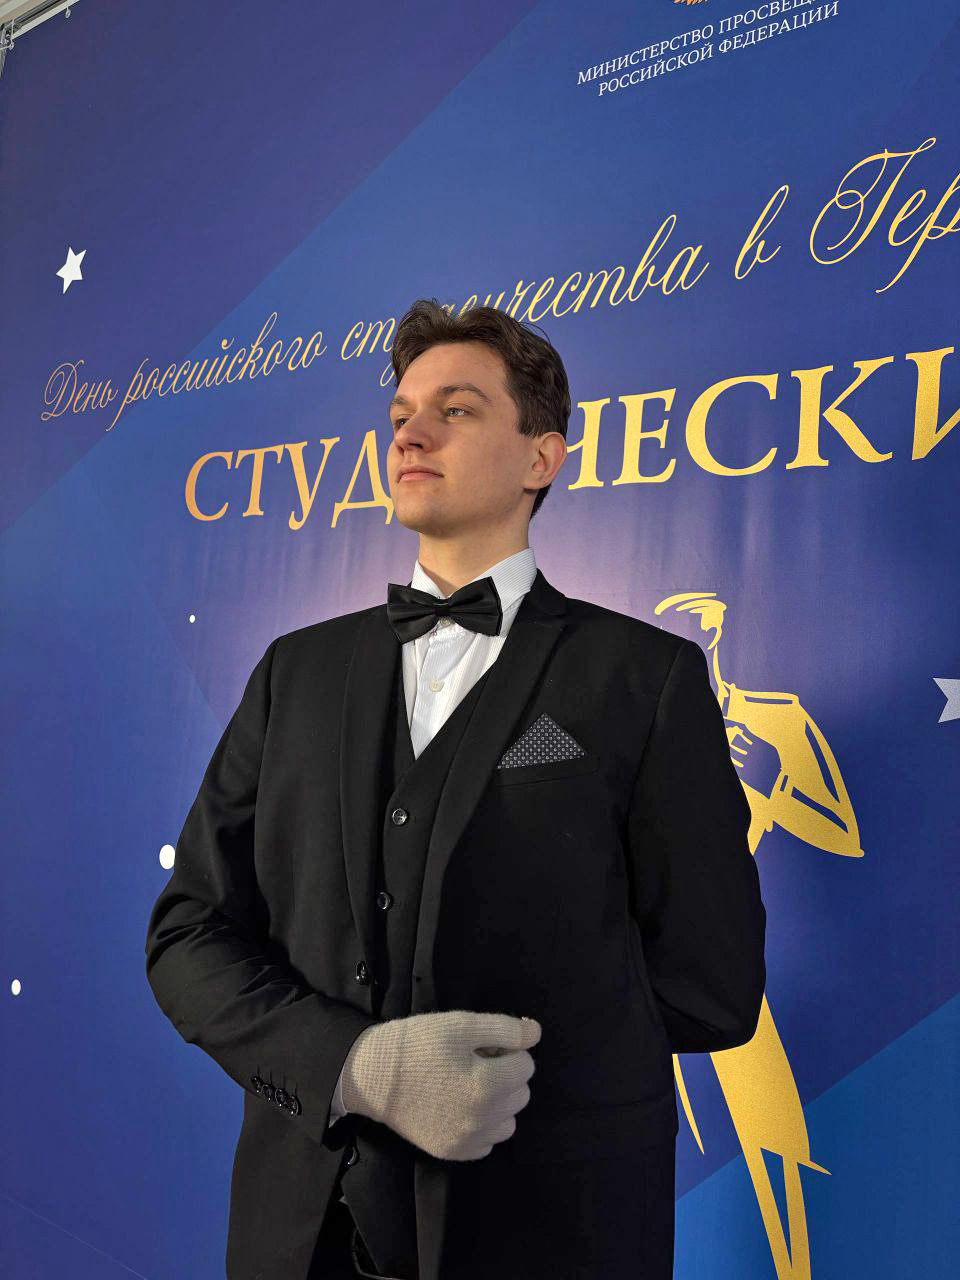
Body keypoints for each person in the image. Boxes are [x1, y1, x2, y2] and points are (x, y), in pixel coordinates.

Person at [145, 298, 766, 1280]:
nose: (411, 433)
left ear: (541, 457)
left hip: (552, 1238)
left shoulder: (647, 680)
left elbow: (710, 988)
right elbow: (189, 935)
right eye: (400, 414)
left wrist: (515, 1064)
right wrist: (353, 1066)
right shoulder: (291, 673)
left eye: (457, 409)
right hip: (298, 1240)